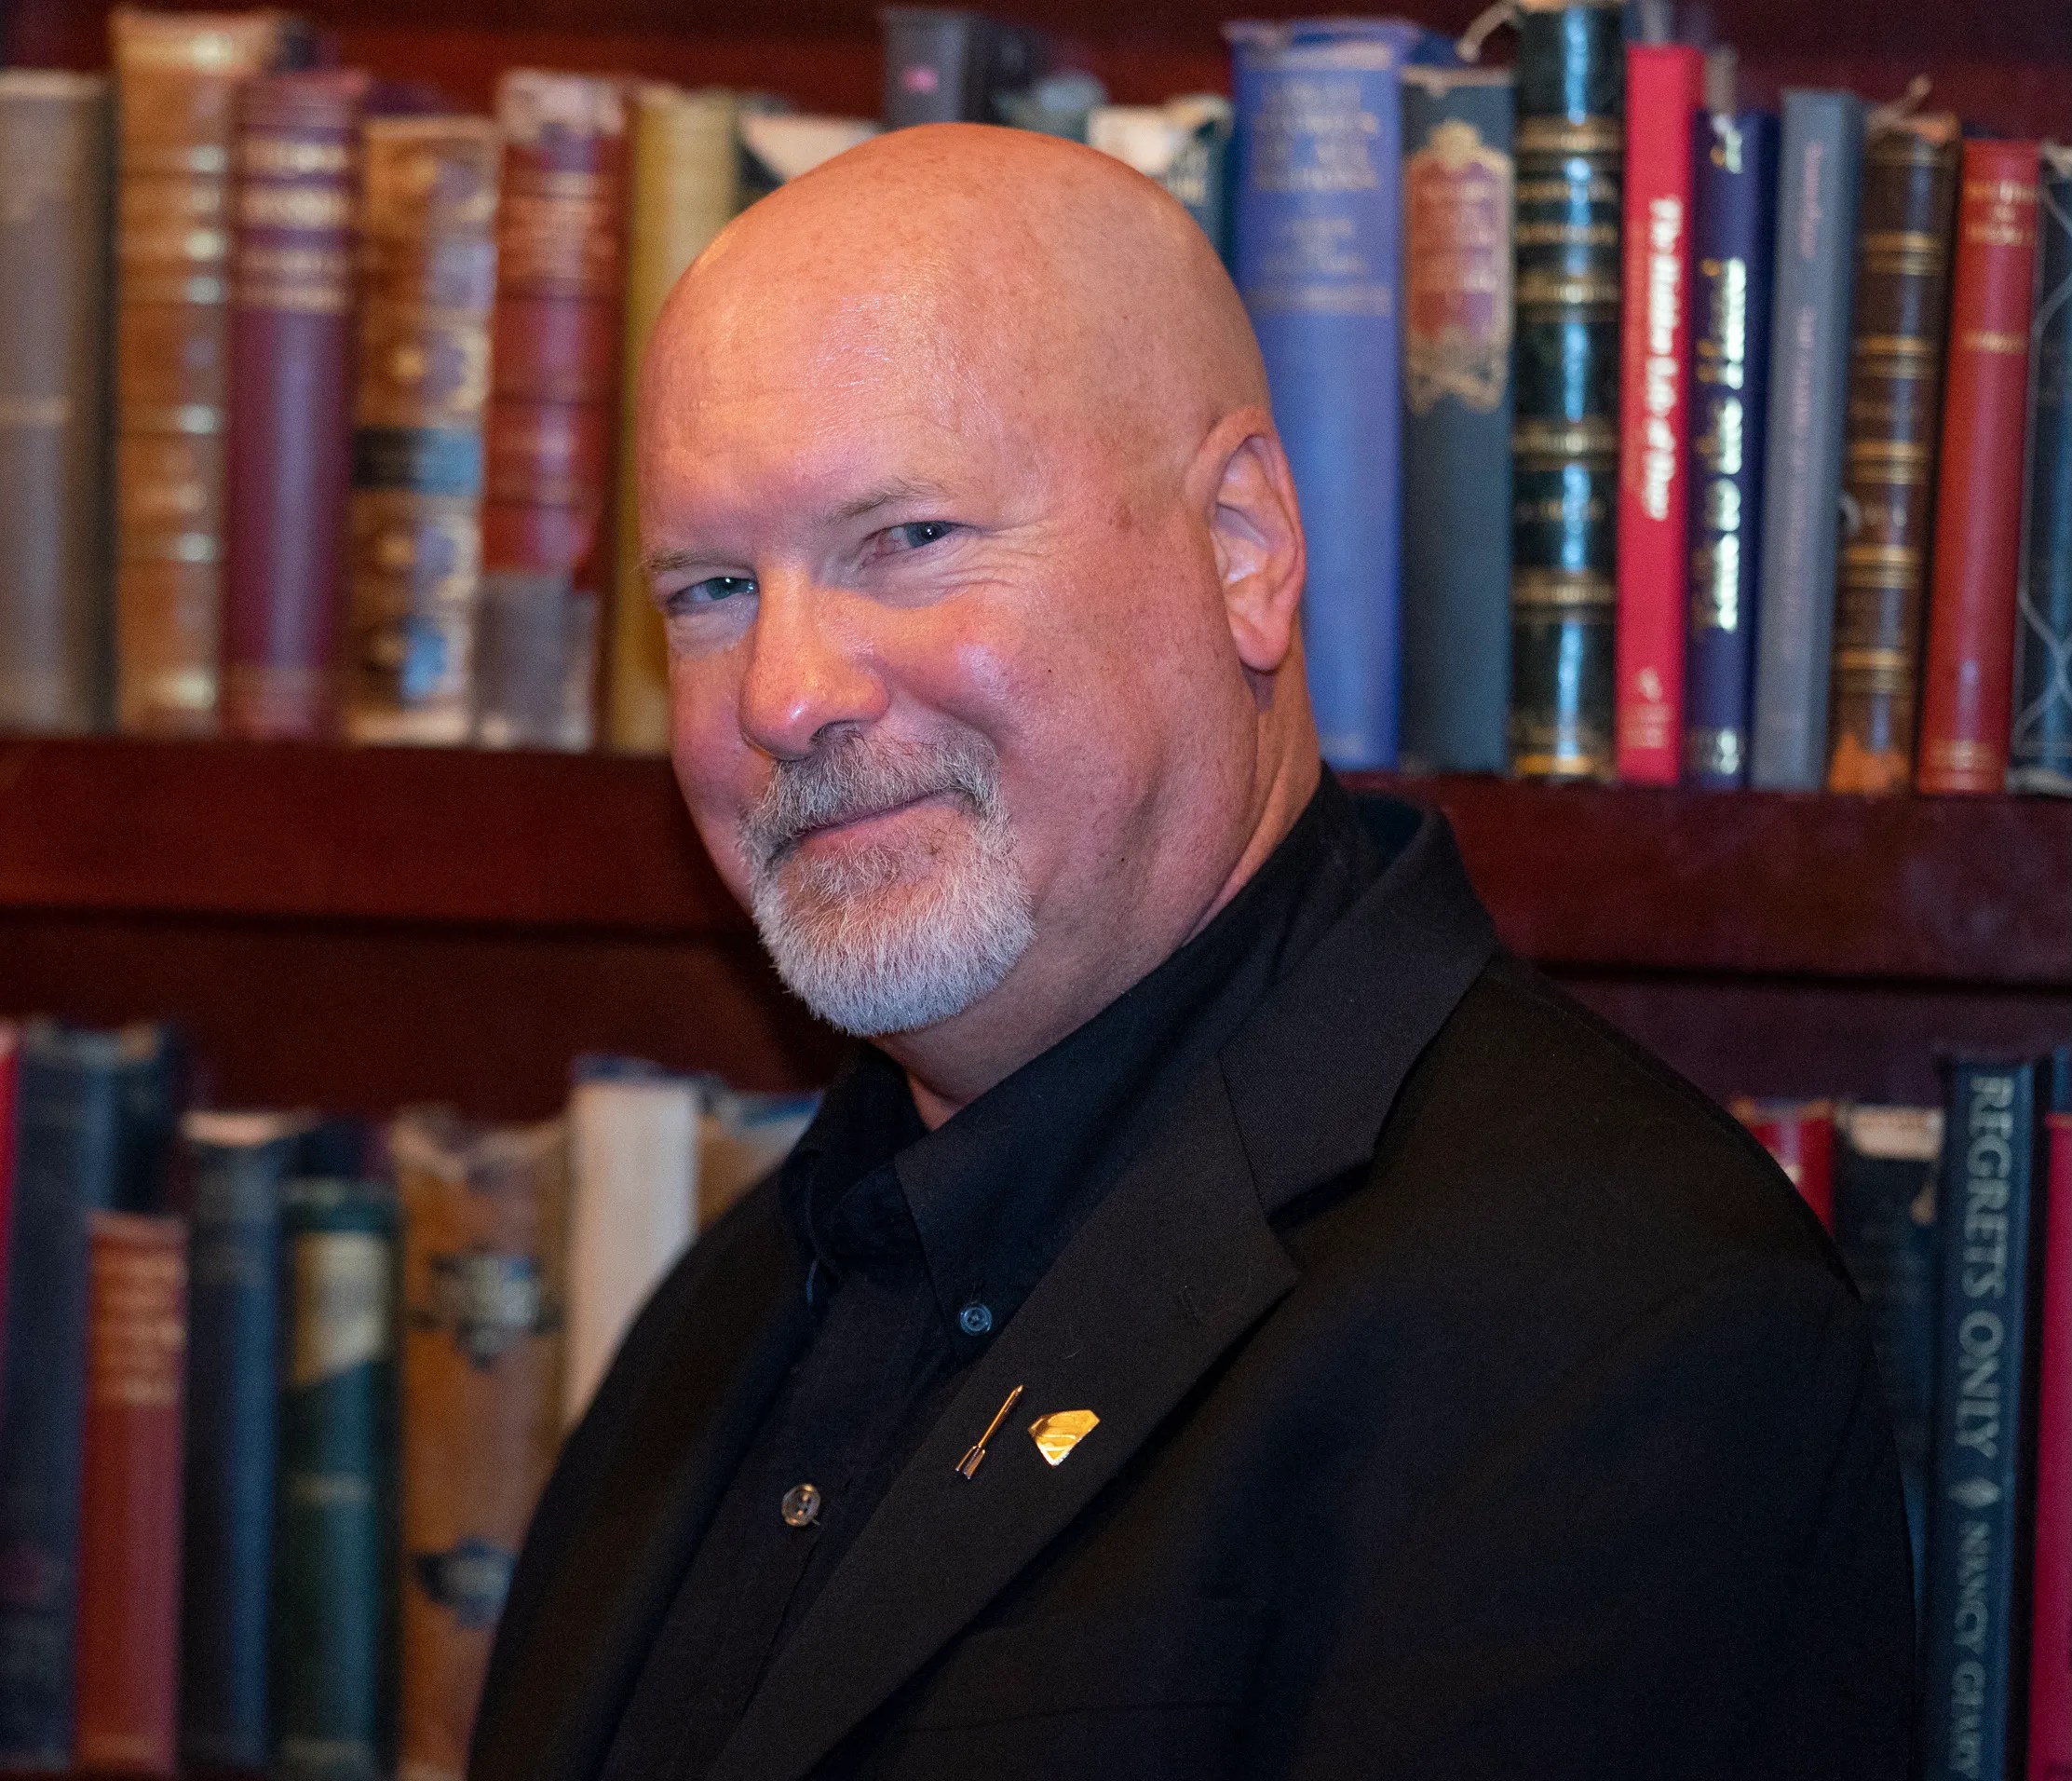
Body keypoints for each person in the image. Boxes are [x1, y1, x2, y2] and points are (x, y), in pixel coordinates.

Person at [472, 123, 1913, 1781]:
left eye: (907, 539)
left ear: (1241, 547)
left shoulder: (1620, 1325)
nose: (783, 692)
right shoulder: (736, 1300)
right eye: (714, 586)